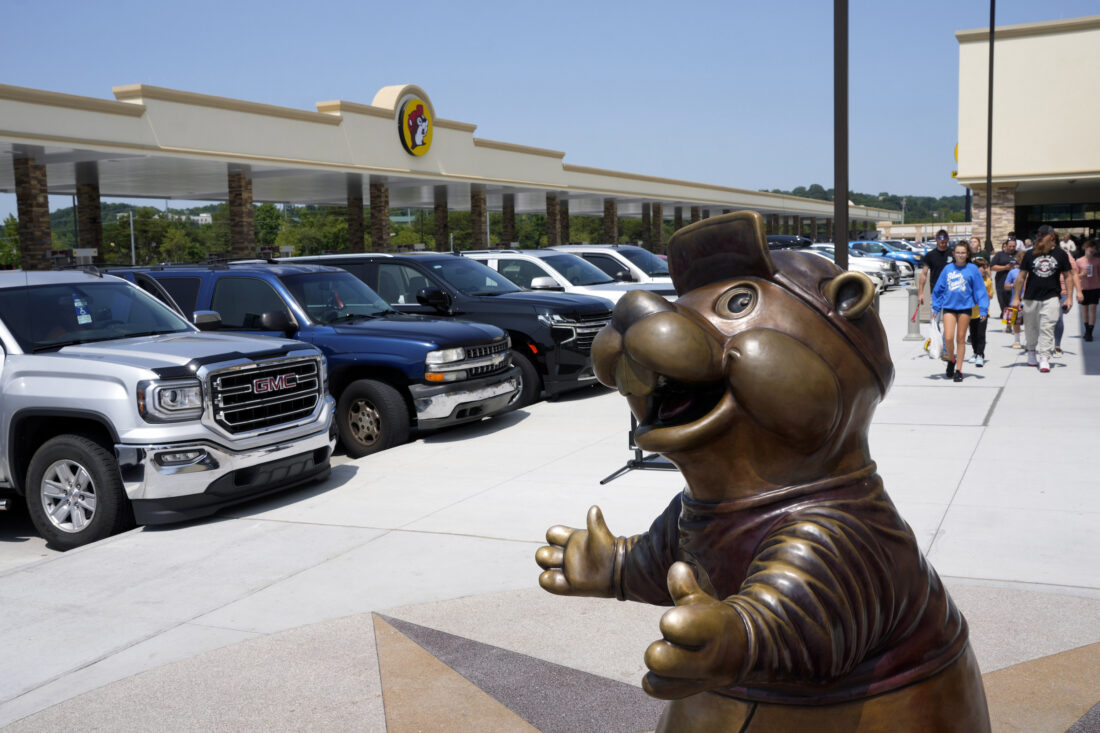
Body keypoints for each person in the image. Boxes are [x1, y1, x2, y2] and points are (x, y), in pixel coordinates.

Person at [1011, 224, 1077, 372]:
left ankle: (1045, 357)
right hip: (1030, 298)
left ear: (1051, 236)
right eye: (1038, 235)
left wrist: (1070, 298)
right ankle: (1032, 352)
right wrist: (1016, 298)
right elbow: (1021, 278)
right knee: (1031, 328)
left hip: (1052, 297)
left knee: (1047, 327)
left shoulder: (1061, 254)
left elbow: (1068, 276)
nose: (1039, 237)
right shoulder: (1029, 254)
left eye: (1042, 235)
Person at [932, 242, 988, 382]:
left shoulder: (973, 269)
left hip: (965, 308)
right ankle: (951, 360)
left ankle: (959, 369)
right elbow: (939, 289)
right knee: (949, 338)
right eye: (958, 252)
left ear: (967, 254)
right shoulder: (947, 269)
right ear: (954, 254)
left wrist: (983, 309)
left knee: (961, 339)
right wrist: (936, 307)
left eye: (963, 252)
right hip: (949, 307)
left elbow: (980, 290)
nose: (961, 255)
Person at [966, 257, 994, 367]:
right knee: (973, 335)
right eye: (981, 267)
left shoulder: (987, 280)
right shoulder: (970, 279)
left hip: (983, 312)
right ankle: (975, 353)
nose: (983, 270)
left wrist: (985, 293)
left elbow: (991, 295)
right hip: (971, 312)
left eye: (985, 267)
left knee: (981, 334)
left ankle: (981, 355)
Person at [1075, 239, 1100, 342]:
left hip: (1095, 287)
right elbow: (1075, 276)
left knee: (1093, 309)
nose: (1093, 250)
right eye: (1091, 248)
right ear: (1086, 247)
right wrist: (1082, 274)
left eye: (1095, 249)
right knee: (1084, 309)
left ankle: (1090, 332)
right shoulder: (1079, 261)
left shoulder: (1098, 261)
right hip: (1083, 288)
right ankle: (1086, 330)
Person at [990, 238, 1019, 322]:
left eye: (1014, 246)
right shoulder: (999, 255)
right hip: (1001, 283)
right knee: (1004, 304)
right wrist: (1005, 267)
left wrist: (1016, 267)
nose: (1012, 248)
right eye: (1010, 246)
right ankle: (1008, 324)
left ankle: (1013, 323)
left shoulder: (1019, 254)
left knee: (1014, 304)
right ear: (1006, 246)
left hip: (1016, 284)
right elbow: (992, 267)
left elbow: (1025, 266)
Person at [1004, 266, 1023, 348]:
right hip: (1015, 300)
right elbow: (1006, 286)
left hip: (1030, 300)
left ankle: (1031, 342)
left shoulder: (1033, 271)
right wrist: (1013, 285)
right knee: (1015, 321)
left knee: (1031, 324)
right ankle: (1017, 340)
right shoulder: (1013, 272)